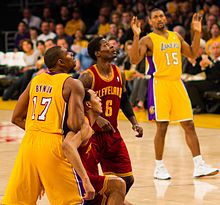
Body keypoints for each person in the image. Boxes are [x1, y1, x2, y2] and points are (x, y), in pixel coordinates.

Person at [129, 8, 219, 180]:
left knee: (189, 124)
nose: (159, 19)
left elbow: (192, 53)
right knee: (162, 127)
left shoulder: (175, 36)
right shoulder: (148, 40)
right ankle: (159, 167)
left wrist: (197, 31)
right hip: (159, 85)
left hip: (177, 83)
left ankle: (199, 165)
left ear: (166, 18)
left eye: (161, 15)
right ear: (150, 22)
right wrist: (135, 36)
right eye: (155, 17)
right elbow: (134, 59)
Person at [1, 46, 95, 204]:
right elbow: (74, 124)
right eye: (68, 54)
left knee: (17, 202)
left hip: (29, 144)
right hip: (52, 145)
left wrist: (38, 131)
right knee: (74, 201)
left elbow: (16, 117)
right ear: (61, 62)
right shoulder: (73, 84)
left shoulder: (36, 80)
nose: (73, 55)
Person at [79, 37, 143, 196]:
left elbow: (124, 100)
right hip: (91, 137)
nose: (112, 46)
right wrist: (97, 117)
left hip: (112, 134)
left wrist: (134, 122)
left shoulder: (119, 73)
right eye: (107, 45)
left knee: (127, 179)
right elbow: (75, 103)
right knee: (91, 183)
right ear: (98, 53)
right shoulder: (88, 76)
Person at [63, 89, 126, 205]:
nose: (100, 99)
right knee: (119, 184)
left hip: (89, 178)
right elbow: (67, 146)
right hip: (80, 179)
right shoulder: (84, 125)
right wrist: (86, 180)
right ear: (88, 104)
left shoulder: (91, 126)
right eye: (96, 97)